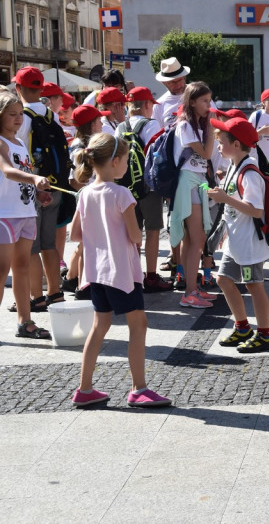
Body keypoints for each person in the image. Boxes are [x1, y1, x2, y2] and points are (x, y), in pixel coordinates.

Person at [69, 132, 172, 408]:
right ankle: (139, 388)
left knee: (99, 326)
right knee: (138, 325)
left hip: (96, 273)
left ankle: (85, 388)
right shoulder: (122, 193)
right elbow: (136, 236)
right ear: (115, 161)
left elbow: (76, 235)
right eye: (127, 159)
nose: (128, 164)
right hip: (121, 273)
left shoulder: (85, 193)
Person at [206, 117, 269, 352]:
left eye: (221, 141)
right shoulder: (236, 167)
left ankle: (264, 334)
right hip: (236, 240)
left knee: (254, 285)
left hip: (249, 243)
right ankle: (242, 327)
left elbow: (256, 210)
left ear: (236, 145)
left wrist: (225, 199)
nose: (217, 146)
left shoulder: (250, 173)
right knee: (223, 280)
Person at [15, 67, 70, 310]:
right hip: (56, 186)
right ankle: (55, 292)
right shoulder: (51, 115)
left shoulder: (21, 117)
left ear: (18, 89)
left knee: (31, 248)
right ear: (40, 89)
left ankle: (36, 297)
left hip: (33, 188)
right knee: (50, 244)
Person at [0, 90, 52, 339]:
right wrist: (33, 177)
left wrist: (39, 193)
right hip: (5, 214)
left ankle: (25, 321)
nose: (18, 119)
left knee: (22, 267)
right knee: (2, 269)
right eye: (12, 115)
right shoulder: (1, 143)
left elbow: (23, 174)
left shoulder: (20, 143)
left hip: (26, 212)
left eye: (20, 114)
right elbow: (8, 171)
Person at [120, 87, 173, 293]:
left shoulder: (120, 127)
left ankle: (134, 275)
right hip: (148, 187)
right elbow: (160, 157)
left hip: (126, 188)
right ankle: (151, 276)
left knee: (132, 233)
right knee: (152, 230)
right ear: (147, 105)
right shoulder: (151, 125)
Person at [170, 82, 217, 309]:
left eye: (209, 100)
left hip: (196, 182)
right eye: (205, 101)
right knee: (196, 240)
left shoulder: (195, 124)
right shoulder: (186, 125)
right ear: (191, 102)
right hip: (188, 182)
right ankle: (189, 291)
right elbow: (207, 153)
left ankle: (192, 289)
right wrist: (212, 128)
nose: (210, 105)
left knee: (193, 240)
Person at [152, 57, 190, 130]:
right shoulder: (159, 105)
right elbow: (157, 134)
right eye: (172, 82)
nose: (178, 85)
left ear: (184, 77)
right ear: (164, 83)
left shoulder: (199, 94)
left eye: (180, 80)